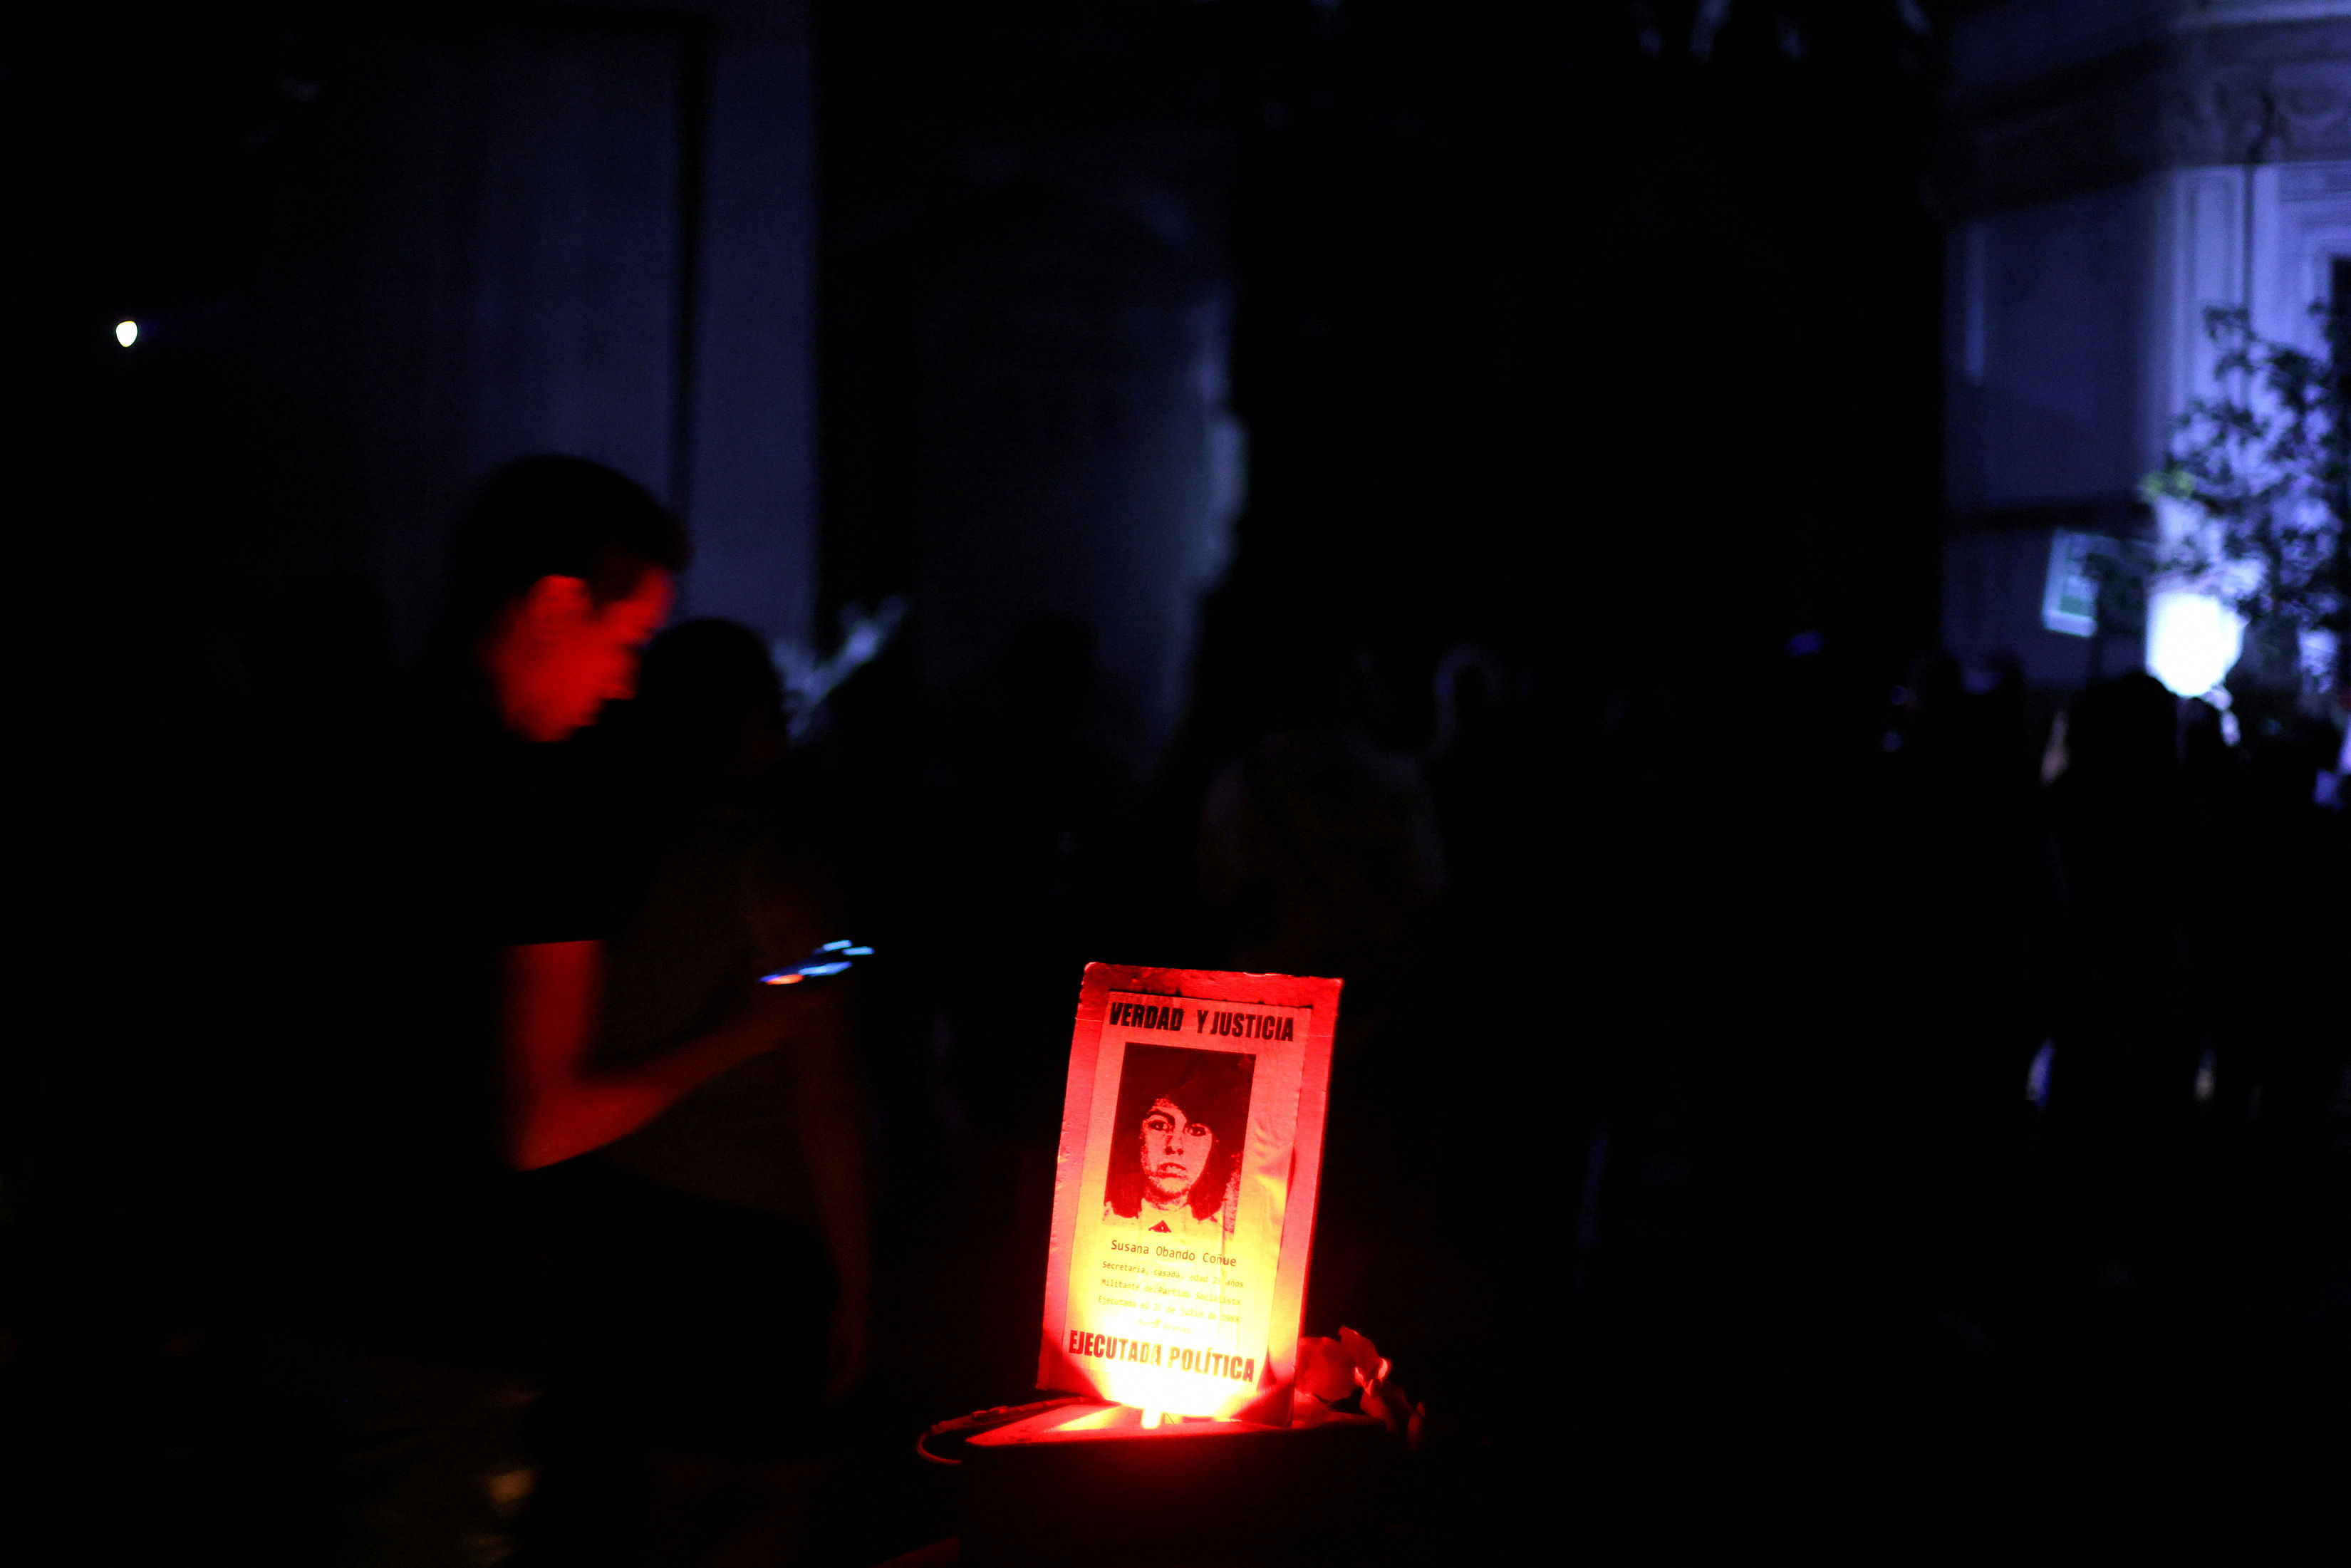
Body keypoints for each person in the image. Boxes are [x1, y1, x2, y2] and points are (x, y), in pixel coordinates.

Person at [517, 619, 869, 1567]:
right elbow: (827, 1099)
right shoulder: (781, 880)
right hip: (750, 1244)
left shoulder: (604, 856)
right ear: (756, 728)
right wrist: (861, 1282)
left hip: (623, 1216)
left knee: (661, 1495)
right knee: (783, 1488)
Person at [1104, 1047, 1253, 1244]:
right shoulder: (1100, 1224)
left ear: (1214, 1146)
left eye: (1197, 1131)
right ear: (1138, 1135)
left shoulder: (1229, 1242)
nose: (1175, 1145)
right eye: (1159, 1125)